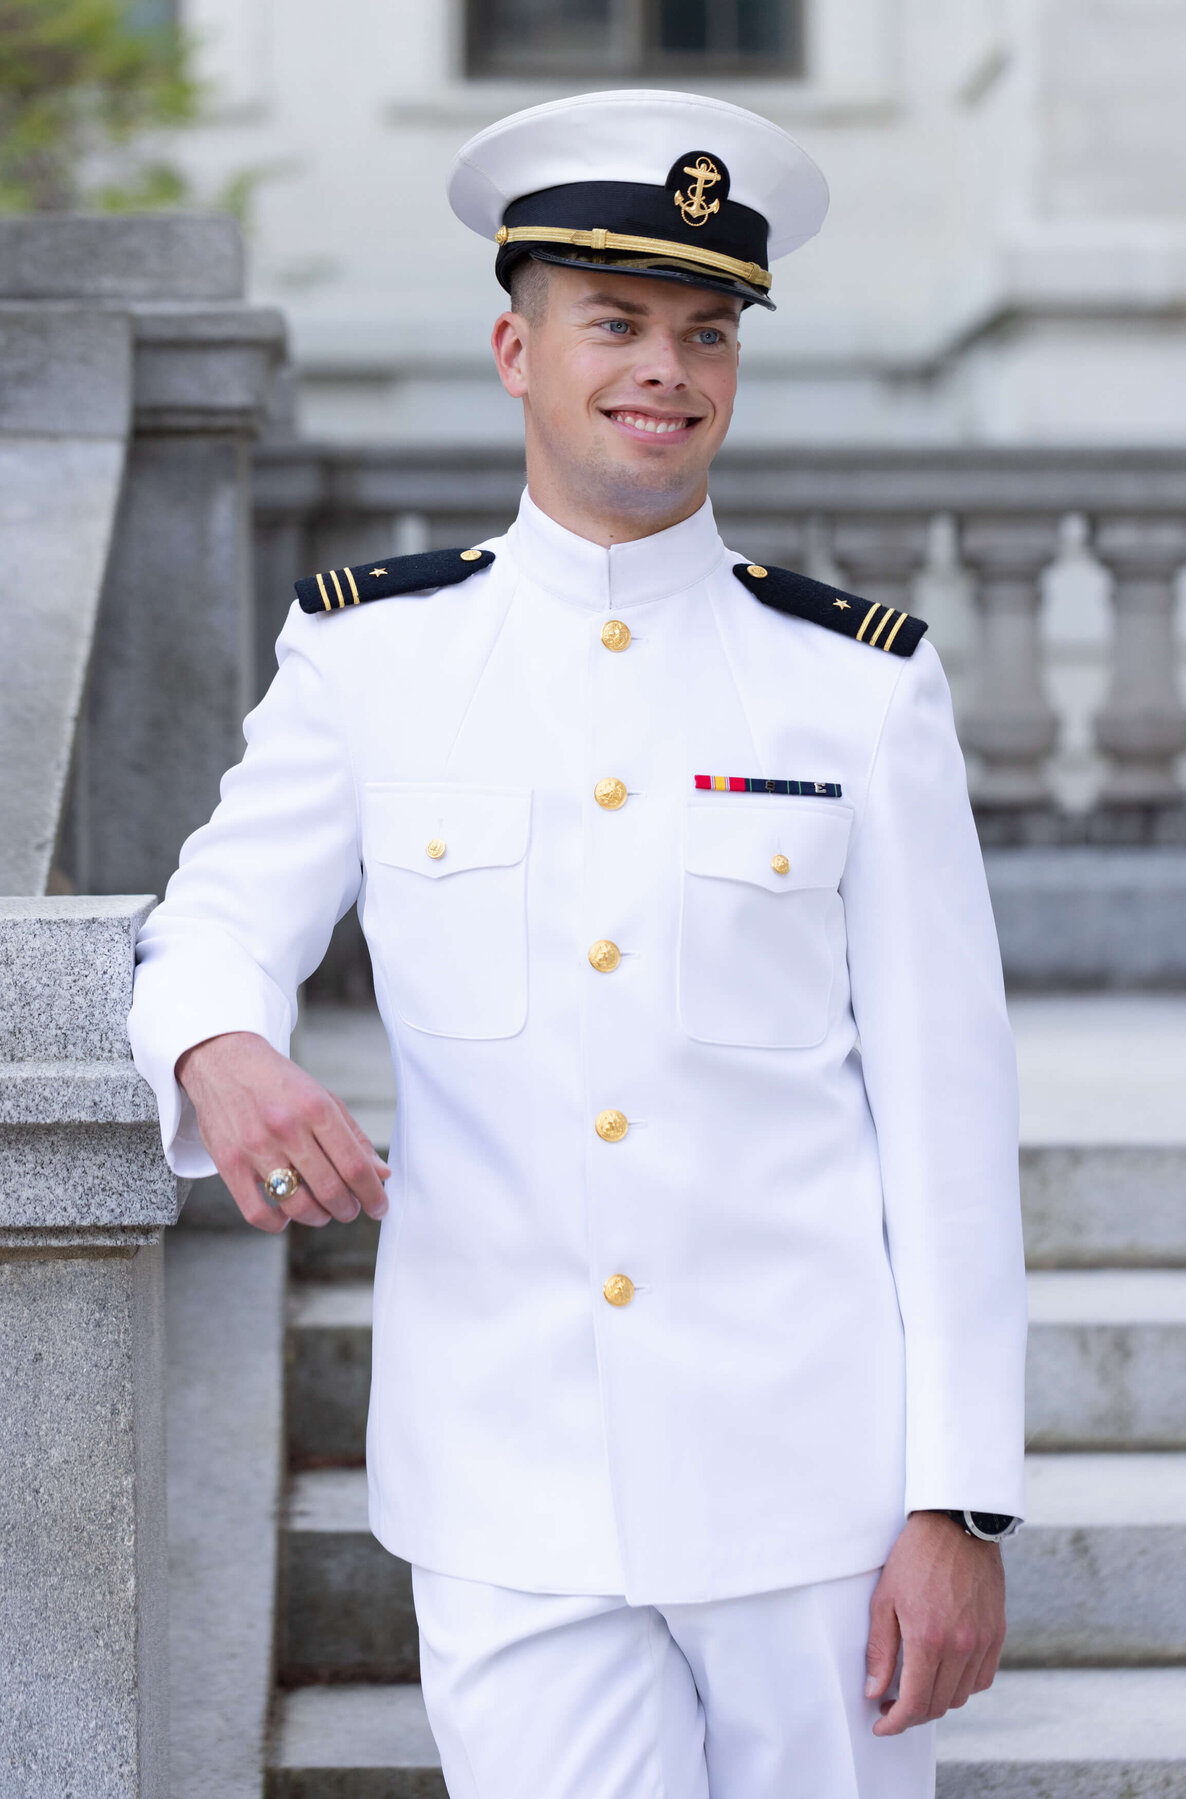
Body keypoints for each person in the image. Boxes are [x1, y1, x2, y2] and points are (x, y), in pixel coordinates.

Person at [129, 88, 1027, 1799]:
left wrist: (957, 1498)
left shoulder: (858, 687)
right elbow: (215, 925)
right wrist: (220, 1048)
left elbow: (949, 1121)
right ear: (513, 347)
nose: (665, 371)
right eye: (614, 322)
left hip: (814, 1493)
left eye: (706, 332)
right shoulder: (372, 662)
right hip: (507, 1490)